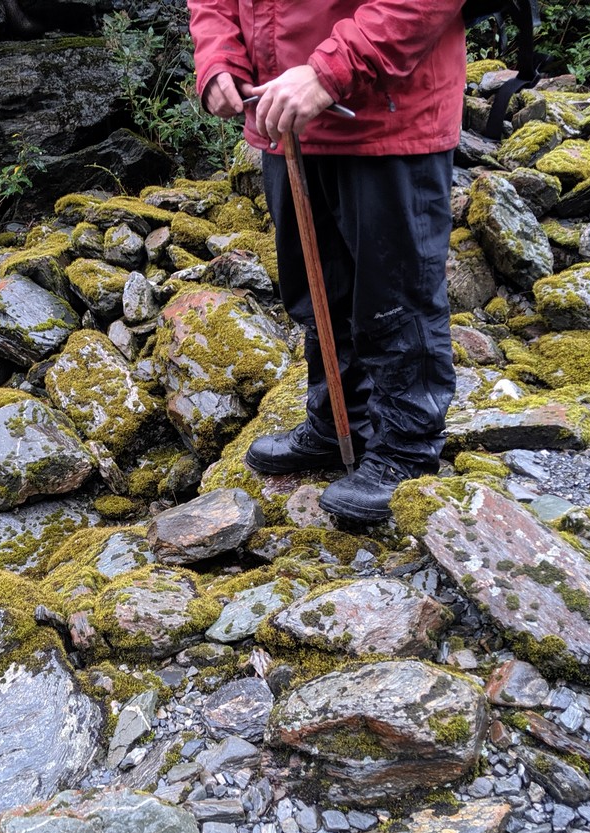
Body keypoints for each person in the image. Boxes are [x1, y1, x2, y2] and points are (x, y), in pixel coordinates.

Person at [188, 0, 466, 522]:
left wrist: (328, 72)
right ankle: (341, 422)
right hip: (281, 116)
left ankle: (406, 448)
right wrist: (218, 59)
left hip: (386, 115)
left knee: (394, 295)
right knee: (313, 288)